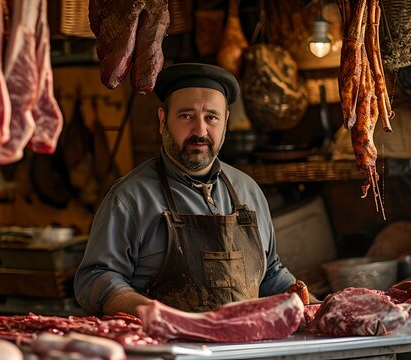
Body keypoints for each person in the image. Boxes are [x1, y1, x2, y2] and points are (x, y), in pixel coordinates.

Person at [73, 63, 300, 316]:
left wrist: (313, 306)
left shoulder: (248, 190)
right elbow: (94, 279)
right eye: (186, 116)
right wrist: (152, 311)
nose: (200, 131)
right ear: (162, 120)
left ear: (225, 122)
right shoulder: (129, 198)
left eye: (211, 117)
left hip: (243, 346)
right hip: (167, 349)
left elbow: (270, 274)